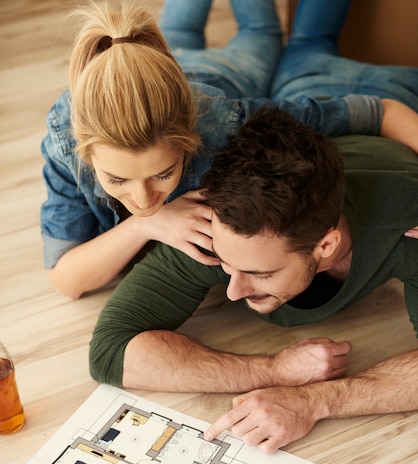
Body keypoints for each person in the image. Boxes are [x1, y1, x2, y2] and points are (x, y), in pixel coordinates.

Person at [89, 106, 418, 453]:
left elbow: (382, 111)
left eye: (261, 274)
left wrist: (316, 401)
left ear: (326, 244)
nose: (233, 292)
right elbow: (110, 353)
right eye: (228, 266)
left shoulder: (408, 226)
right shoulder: (213, 227)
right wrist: (274, 370)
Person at [41, 0, 418, 300]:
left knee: (259, 31)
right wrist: (146, 225)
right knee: (177, 31)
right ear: (85, 152)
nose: (143, 198)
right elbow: (66, 279)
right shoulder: (65, 140)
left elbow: (381, 111)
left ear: (191, 138)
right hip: (144, 68)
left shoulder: (228, 122)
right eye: (117, 179)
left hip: (225, 73)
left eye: (162, 174)